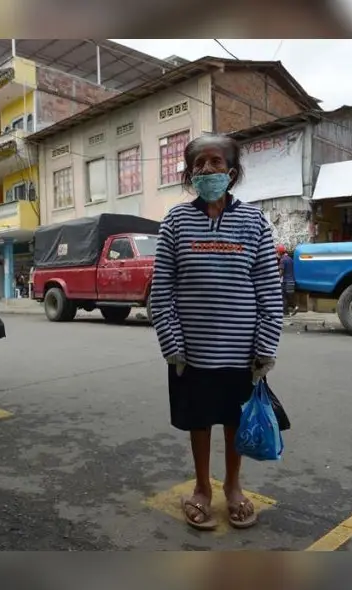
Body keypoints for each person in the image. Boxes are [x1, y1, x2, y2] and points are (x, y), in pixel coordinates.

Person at [150, 134, 284, 531]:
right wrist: (172, 345)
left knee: (233, 420)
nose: (207, 169)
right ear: (190, 174)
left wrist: (266, 346)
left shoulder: (253, 220)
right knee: (199, 421)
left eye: (215, 161)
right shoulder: (176, 221)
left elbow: (268, 288)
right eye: (199, 164)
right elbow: (163, 290)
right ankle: (203, 488)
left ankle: (233, 487)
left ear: (232, 170)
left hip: (241, 351)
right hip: (190, 353)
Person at [278, 246, 296, 316]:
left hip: (285, 281)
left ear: (280, 252)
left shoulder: (283, 260)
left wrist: (277, 278)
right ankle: (295, 307)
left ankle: (286, 313)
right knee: (289, 297)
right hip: (291, 281)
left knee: (284, 297)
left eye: (277, 252)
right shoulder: (290, 259)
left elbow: (281, 271)